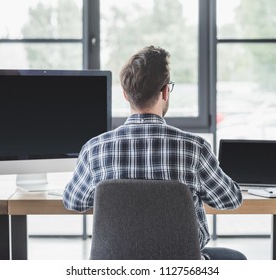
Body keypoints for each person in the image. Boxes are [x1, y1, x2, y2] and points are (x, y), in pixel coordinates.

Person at [63, 46, 246, 260]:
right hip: (182, 266)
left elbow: (73, 202)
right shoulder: (194, 148)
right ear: (165, 91)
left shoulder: (95, 149)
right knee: (236, 259)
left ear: (125, 94)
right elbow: (230, 199)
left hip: (117, 267)